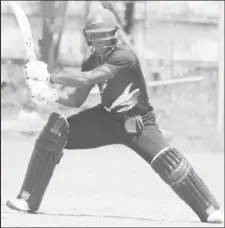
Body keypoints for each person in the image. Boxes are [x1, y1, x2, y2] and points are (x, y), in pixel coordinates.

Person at [6, 8, 223, 224]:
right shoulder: (91, 59)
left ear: (114, 33)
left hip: (138, 122)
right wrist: (50, 96)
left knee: (169, 162)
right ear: (88, 36)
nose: (100, 41)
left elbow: (86, 79)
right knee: (55, 132)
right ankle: (28, 199)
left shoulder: (124, 56)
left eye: (104, 35)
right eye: (95, 36)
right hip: (107, 119)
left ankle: (208, 208)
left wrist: (49, 77)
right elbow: (76, 99)